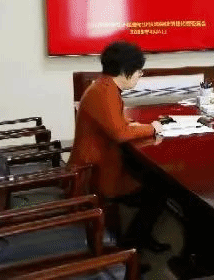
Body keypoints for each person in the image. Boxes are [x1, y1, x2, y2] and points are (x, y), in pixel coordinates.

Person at [69, 41, 168, 252]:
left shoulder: (103, 86)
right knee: (157, 190)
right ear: (125, 71)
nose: (140, 75)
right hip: (94, 174)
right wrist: (152, 128)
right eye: (139, 70)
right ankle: (131, 247)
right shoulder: (104, 92)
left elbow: (115, 123)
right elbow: (119, 133)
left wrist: (134, 125)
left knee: (152, 181)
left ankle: (137, 240)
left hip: (100, 164)